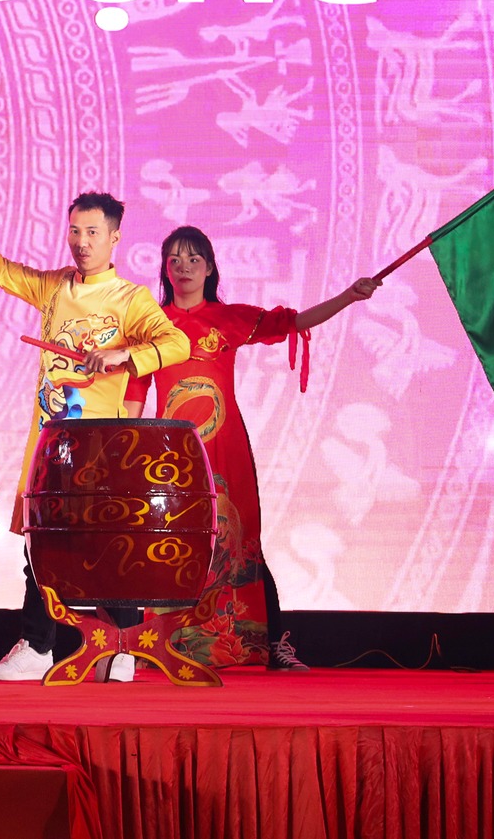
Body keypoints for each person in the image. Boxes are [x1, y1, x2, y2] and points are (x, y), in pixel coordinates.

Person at [124, 226, 380, 670]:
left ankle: (268, 644)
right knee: (170, 543)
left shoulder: (228, 318)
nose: (184, 267)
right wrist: (126, 451)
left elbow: (294, 322)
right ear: (164, 269)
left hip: (226, 448)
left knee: (240, 543)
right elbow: (135, 391)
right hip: (169, 456)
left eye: (194, 259)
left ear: (210, 268)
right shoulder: (151, 326)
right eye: (174, 260)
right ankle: (158, 646)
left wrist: (348, 296)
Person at [0, 192, 192, 683]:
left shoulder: (131, 299)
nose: (82, 242)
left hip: (102, 447)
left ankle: (124, 647)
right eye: (75, 231)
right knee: (41, 546)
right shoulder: (54, 287)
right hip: (52, 442)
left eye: (93, 232)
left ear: (115, 238)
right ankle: (38, 646)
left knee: (109, 545)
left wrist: (124, 355)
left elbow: (177, 342)